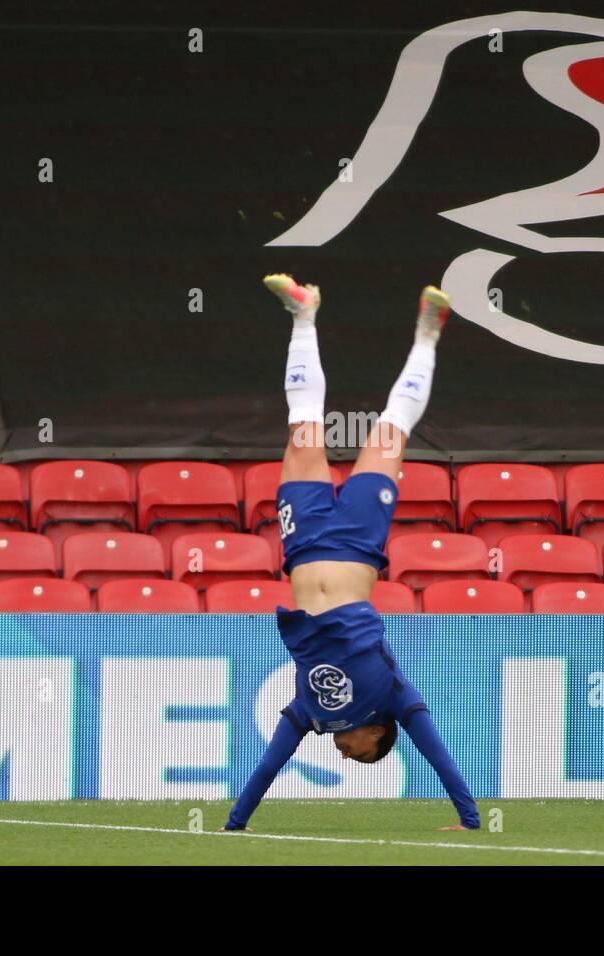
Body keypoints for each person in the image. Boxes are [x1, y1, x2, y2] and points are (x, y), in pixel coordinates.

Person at [224, 273, 480, 832]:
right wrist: (469, 818)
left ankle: (303, 315)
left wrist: (235, 825)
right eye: (362, 755)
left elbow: (269, 763)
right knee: (389, 433)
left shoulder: (311, 715)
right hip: (359, 545)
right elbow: (438, 754)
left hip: (304, 544)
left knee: (302, 432)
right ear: (378, 734)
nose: (345, 756)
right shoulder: (396, 695)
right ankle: (427, 336)